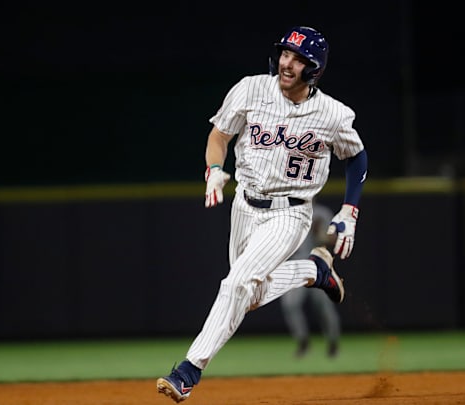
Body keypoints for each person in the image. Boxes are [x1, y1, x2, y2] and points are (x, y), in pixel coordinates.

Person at [156, 25, 368, 403]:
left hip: (290, 213)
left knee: (235, 285)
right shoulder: (251, 88)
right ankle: (313, 271)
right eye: (286, 53)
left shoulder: (333, 114)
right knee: (248, 294)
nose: (287, 63)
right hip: (244, 205)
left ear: (314, 68)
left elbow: (356, 157)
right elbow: (219, 135)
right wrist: (215, 170)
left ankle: (189, 369)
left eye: (299, 59)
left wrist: (349, 209)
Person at [280, 199, 342, 358]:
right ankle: (303, 341)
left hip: (316, 263)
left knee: (322, 306)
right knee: (290, 304)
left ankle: (333, 341)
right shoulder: (287, 213)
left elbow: (334, 240)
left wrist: (320, 234)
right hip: (295, 265)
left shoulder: (321, 213)